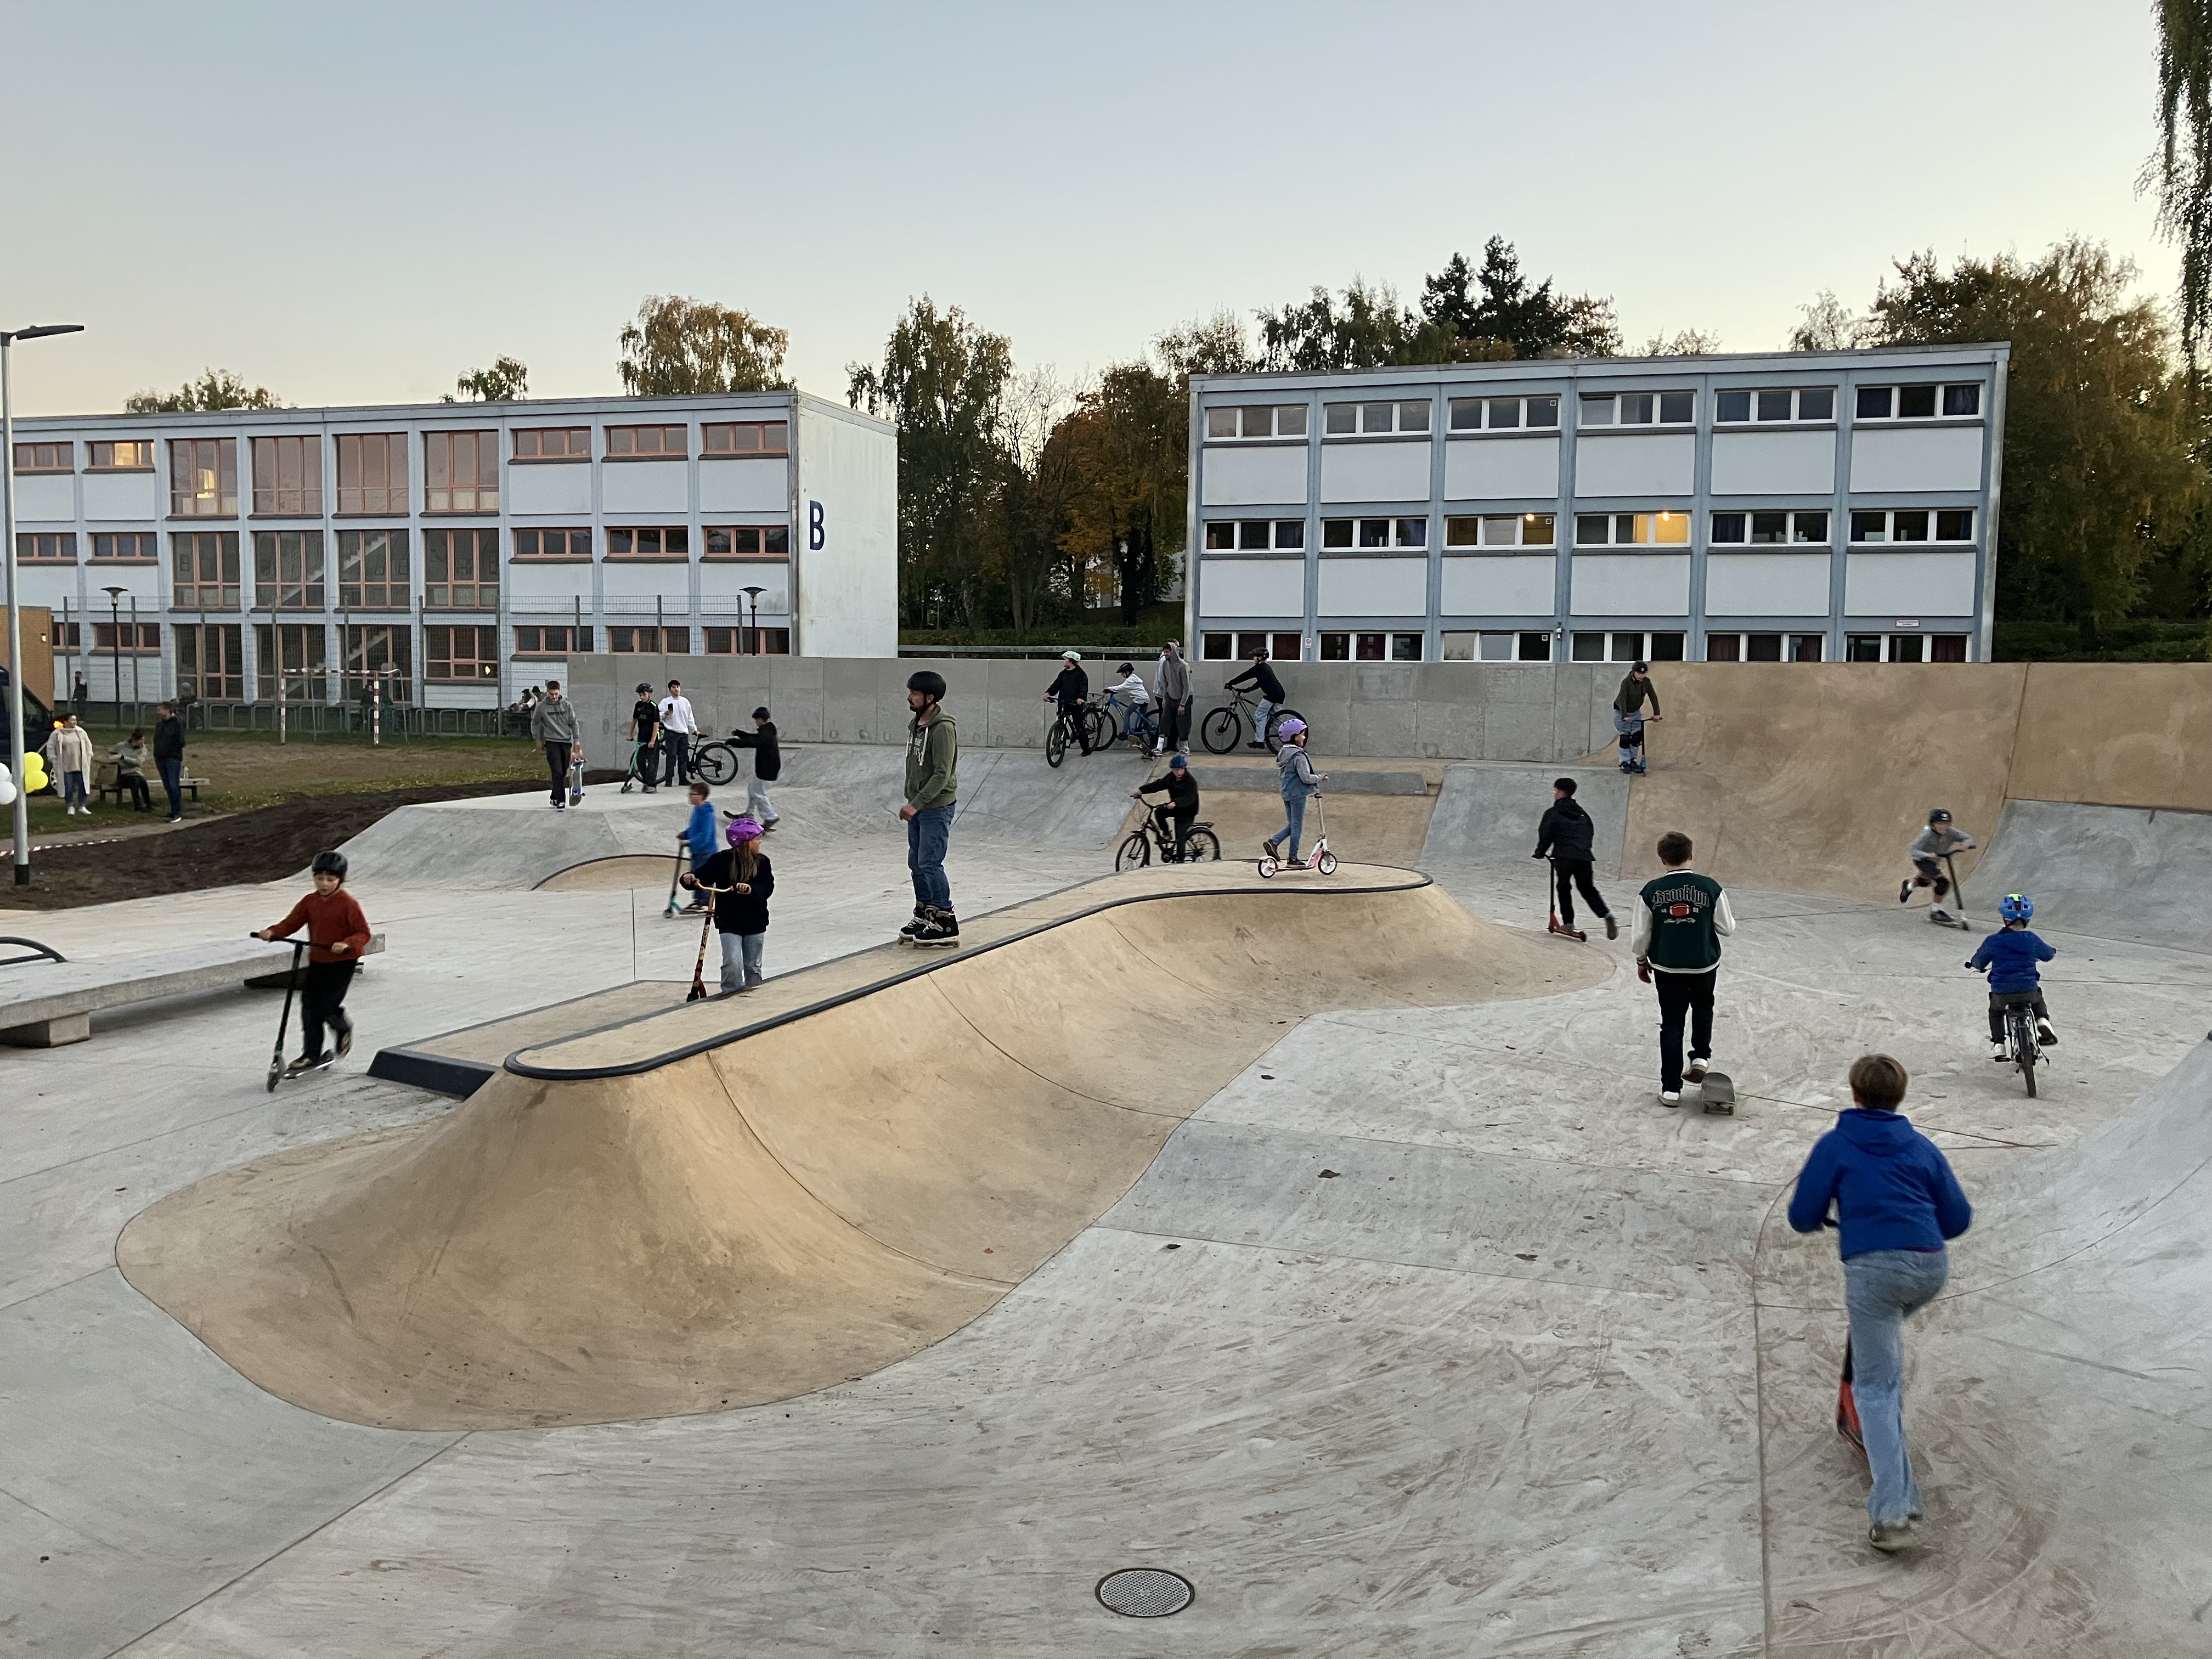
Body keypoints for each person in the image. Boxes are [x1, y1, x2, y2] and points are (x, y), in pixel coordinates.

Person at [1787, 1053, 1972, 1553]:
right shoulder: (1921, 1146)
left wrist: (1836, 1216)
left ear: (1854, 1093)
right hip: (1929, 1268)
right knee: (1880, 1352)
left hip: (1874, 1271)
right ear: (1900, 1096)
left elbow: (1802, 1215)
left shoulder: (1837, 1145)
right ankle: (1878, 1424)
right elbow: (1957, 1219)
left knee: (1877, 1387)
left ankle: (1893, 1509)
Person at [1631, 830, 1737, 1106]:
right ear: (1691, 855)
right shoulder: (1711, 887)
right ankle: (1701, 1056)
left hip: (1667, 967)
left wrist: (1642, 961)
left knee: (1672, 1022)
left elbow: (1641, 935)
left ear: (1661, 858)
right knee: (1703, 1008)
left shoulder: (1651, 891)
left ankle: (1670, 1090)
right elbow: (1727, 928)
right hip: (1704, 964)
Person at [253, 849, 371, 1077]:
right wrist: (272, 932)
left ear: (341, 880)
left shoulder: (348, 903)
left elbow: (363, 933)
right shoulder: (310, 902)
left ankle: (342, 1027)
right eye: (319, 878)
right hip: (318, 960)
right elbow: (291, 923)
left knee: (327, 1006)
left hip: (342, 963)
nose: (324, 884)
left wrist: (347, 943)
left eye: (330, 879)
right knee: (309, 1008)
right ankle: (311, 1054)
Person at [900, 669, 960, 945]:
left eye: (915, 693)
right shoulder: (917, 725)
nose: (910, 697)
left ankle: (945, 919)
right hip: (919, 806)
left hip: (936, 807)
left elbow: (942, 773)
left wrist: (917, 803)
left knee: (930, 863)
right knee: (916, 863)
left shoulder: (943, 728)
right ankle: (925, 912)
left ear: (930, 698)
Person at [682, 816, 774, 994]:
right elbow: (702, 875)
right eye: (757, 839)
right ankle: (731, 993)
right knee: (732, 962)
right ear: (745, 842)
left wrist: (751, 890)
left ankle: (755, 996)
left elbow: (767, 887)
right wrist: (690, 878)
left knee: (753, 966)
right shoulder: (721, 860)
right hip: (729, 921)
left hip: (755, 921)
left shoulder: (763, 862)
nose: (760, 842)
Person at [1968, 893, 2060, 1062]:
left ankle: (1999, 1045)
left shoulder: (1994, 941)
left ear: (2005, 919)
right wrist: (2052, 951)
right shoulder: (2032, 939)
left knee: (1996, 1012)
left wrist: (1975, 965)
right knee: (2038, 998)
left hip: (2002, 993)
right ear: (2028, 919)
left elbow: (1980, 961)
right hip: (2028, 991)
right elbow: (2047, 955)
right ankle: (2043, 1020)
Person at [1533, 776, 1617, 940]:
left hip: (1564, 856)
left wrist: (1540, 851)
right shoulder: (1581, 813)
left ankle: (1569, 922)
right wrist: (1584, 849)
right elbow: (1589, 832)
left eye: (1555, 790)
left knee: (1564, 887)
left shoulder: (1554, 812)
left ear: (1559, 792)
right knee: (1587, 888)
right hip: (1584, 856)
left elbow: (1546, 833)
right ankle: (1606, 914)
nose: (1554, 793)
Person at [1264, 716, 1327, 864]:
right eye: (1302, 734)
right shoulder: (1298, 755)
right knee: (1297, 826)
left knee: (1293, 824)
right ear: (1294, 736)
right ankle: (1293, 857)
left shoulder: (1284, 753)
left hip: (1286, 793)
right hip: (1298, 794)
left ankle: (1274, 842)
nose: (1304, 737)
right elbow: (1305, 777)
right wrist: (1320, 777)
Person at [1900, 809, 1974, 925]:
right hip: (1923, 860)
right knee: (1943, 883)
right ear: (1932, 824)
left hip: (1935, 861)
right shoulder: (1927, 835)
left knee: (1924, 882)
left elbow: (1968, 838)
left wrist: (1966, 844)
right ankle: (1937, 911)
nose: (1943, 827)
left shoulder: (1952, 832)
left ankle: (1909, 887)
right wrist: (1927, 854)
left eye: (1946, 824)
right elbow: (1913, 850)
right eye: (1940, 824)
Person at [1133, 753, 1199, 860]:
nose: (1178, 772)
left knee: (1180, 833)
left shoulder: (1190, 781)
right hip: (1176, 808)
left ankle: (1180, 859)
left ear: (1185, 769)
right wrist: (1142, 790)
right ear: (1172, 770)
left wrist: (1176, 803)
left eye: (1181, 770)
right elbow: (1158, 785)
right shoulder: (1171, 778)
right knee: (1159, 812)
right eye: (1176, 770)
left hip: (1188, 811)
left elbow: (1190, 798)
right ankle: (1167, 834)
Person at [727, 706, 781, 829]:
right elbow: (755, 738)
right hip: (765, 768)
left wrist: (735, 742)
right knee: (752, 789)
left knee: (759, 793)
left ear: (762, 719)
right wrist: (740, 734)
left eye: (757, 720)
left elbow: (754, 742)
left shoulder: (766, 732)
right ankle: (749, 814)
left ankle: (771, 817)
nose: (756, 723)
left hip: (768, 769)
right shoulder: (766, 731)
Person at [530, 680, 579, 809]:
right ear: (547, 693)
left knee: (563, 771)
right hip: (551, 742)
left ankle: (554, 795)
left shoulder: (567, 706)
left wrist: (577, 740)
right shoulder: (541, 707)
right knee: (557, 771)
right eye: (551, 694)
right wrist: (538, 739)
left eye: (556, 694)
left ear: (560, 692)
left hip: (566, 742)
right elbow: (535, 723)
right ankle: (561, 800)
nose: (554, 697)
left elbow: (574, 723)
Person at [1225, 646, 1285, 749]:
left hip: (1272, 695)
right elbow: (1261, 682)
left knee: (1260, 715)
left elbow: (1245, 676)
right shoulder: (1265, 668)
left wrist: (1230, 683)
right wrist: (1249, 689)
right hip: (1279, 695)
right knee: (1274, 719)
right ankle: (1289, 738)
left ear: (1260, 658)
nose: (1253, 659)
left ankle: (1259, 741)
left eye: (1255, 657)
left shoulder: (1259, 668)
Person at [1613, 662, 1662, 774]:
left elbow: (1653, 697)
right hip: (1621, 712)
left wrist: (1657, 713)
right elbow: (1622, 699)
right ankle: (1624, 762)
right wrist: (1625, 715)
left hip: (1635, 712)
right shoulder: (1626, 683)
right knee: (1625, 738)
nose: (1641, 676)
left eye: (1644, 673)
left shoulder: (1646, 682)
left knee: (1637, 737)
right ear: (1634, 672)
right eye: (1639, 673)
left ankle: (1632, 760)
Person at [43, 713, 94, 817]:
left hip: (79, 764)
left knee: (83, 785)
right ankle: (70, 806)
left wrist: (89, 755)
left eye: (75, 720)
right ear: (65, 722)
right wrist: (53, 758)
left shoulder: (80, 732)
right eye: (72, 720)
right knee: (68, 787)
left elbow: (88, 745)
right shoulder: (57, 734)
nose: (74, 722)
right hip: (66, 766)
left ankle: (82, 806)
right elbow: (51, 747)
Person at [1042, 650, 1091, 757]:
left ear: (1071, 661)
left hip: (1075, 704)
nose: (1064, 662)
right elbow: (1056, 685)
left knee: (1079, 726)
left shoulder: (1081, 674)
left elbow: (1083, 687)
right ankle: (1057, 747)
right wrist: (1049, 693)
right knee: (1059, 724)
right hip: (1063, 703)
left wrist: (1081, 698)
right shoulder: (1063, 674)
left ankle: (1086, 749)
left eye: (1065, 660)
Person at [681, 782, 717, 912]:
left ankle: (705, 901)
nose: (690, 796)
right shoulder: (697, 811)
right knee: (695, 876)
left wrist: (691, 842)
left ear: (702, 796)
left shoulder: (707, 814)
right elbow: (695, 829)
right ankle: (699, 900)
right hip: (697, 851)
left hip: (706, 851)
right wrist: (685, 834)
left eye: (693, 794)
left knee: (703, 877)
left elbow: (705, 835)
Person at [1153, 639, 1192, 758]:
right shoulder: (1165, 664)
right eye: (1164, 652)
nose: (1166, 654)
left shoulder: (1182, 666)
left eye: (1168, 652)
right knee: (1164, 721)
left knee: (1183, 723)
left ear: (1173, 652)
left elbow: (1187, 687)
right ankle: (1159, 747)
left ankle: (1185, 748)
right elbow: (1165, 682)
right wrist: (1165, 697)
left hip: (1184, 698)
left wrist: (1182, 704)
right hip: (1170, 697)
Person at [151, 701, 188, 823]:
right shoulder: (160, 725)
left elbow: (181, 742)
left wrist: (171, 750)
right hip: (160, 758)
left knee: (173, 785)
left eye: (160, 709)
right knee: (167, 785)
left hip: (172, 758)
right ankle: (173, 810)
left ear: (167, 710)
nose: (158, 712)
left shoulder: (177, 724)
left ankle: (177, 811)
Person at [658, 679, 698, 787]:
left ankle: (683, 779)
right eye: (674, 687)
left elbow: (690, 717)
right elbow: (658, 716)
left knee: (683, 757)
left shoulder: (685, 702)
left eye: (678, 687)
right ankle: (669, 780)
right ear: (670, 690)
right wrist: (666, 713)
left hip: (683, 733)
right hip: (671, 732)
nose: (676, 689)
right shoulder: (665, 702)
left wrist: (694, 729)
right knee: (671, 757)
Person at [626, 681, 661, 792]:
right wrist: (630, 735)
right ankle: (646, 782)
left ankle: (652, 785)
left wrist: (652, 741)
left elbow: (656, 725)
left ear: (650, 694)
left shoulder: (654, 707)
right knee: (640, 761)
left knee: (652, 762)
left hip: (652, 738)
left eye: (644, 695)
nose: (642, 697)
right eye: (640, 695)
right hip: (642, 737)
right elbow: (634, 721)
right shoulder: (639, 705)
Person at [111, 727, 153, 812]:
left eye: (143, 740)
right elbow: (110, 751)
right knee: (135, 781)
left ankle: (148, 804)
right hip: (123, 774)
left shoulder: (143, 750)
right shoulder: (122, 746)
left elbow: (139, 762)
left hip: (136, 773)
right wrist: (115, 757)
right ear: (134, 740)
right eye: (140, 740)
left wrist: (124, 757)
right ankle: (138, 806)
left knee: (142, 781)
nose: (142, 742)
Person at [1105, 661, 1150, 738]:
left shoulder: (1130, 680)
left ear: (1128, 672)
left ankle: (1125, 732)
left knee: (1127, 713)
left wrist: (1109, 689)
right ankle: (1148, 730)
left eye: (1123, 673)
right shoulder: (1134, 678)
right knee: (1142, 717)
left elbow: (1121, 688)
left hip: (1140, 699)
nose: (1122, 675)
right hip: (1145, 699)